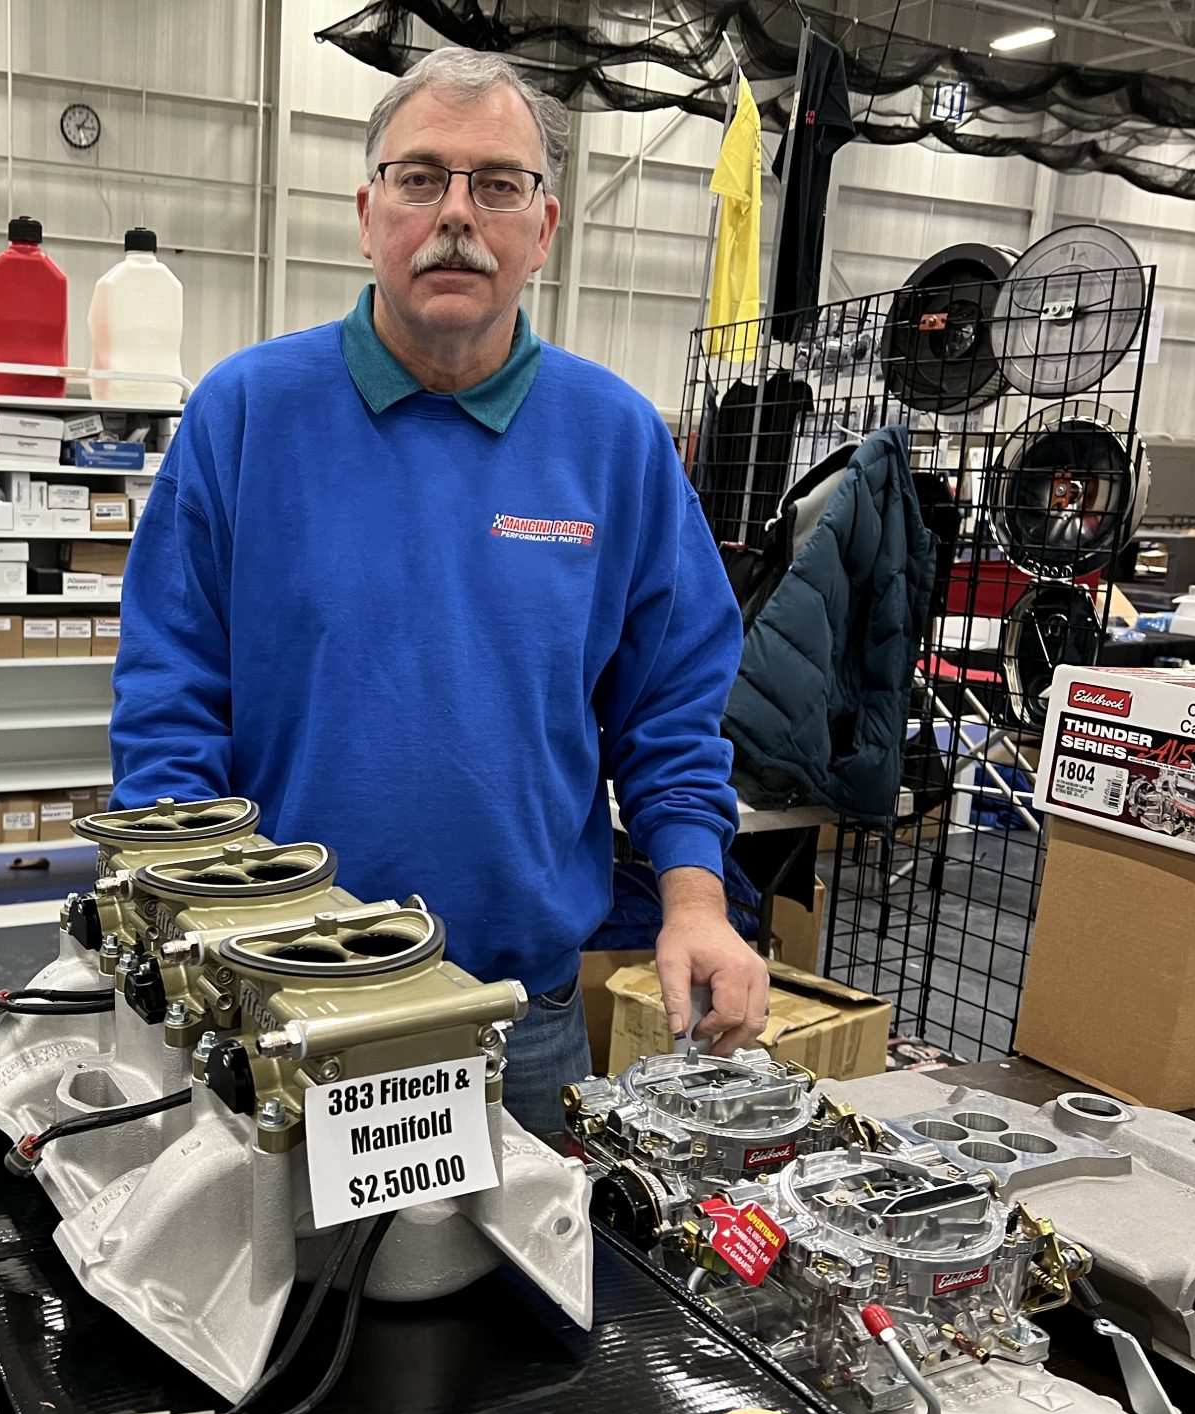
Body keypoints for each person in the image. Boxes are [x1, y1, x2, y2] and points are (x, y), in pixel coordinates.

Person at [110, 46, 768, 1134]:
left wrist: (694, 896)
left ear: (543, 229)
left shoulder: (614, 443)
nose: (455, 214)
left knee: (514, 1304)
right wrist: (188, 930)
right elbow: (170, 703)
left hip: (520, 1017)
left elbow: (667, 708)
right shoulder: (243, 416)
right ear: (368, 213)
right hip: (281, 1007)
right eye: (420, 179)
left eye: (496, 184)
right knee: (272, 1299)